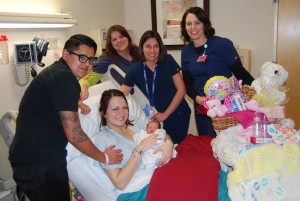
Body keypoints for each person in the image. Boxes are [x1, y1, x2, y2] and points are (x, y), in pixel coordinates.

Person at [8, 34, 123, 201]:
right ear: (65, 54)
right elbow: (75, 135)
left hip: (35, 158)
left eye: (91, 59)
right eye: (82, 57)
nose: (87, 64)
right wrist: (105, 157)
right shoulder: (64, 79)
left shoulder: (57, 73)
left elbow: (54, 101)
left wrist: (74, 103)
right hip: (39, 163)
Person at [180, 7, 254, 137]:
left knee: (228, 143)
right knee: (207, 144)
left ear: (204, 24)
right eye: (189, 23)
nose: (193, 27)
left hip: (227, 107)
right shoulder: (186, 52)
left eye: (197, 22)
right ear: (184, 27)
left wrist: (259, 91)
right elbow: (187, 83)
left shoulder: (221, 44)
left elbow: (241, 73)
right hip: (203, 108)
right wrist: (199, 99)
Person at [94, 89, 174, 200]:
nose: (121, 113)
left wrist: (169, 144)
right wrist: (140, 148)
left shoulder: (135, 122)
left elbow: (162, 134)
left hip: (162, 169)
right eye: (115, 109)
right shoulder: (104, 139)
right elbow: (119, 182)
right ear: (103, 113)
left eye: (124, 108)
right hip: (141, 186)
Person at [120, 30, 191, 144]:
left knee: (177, 149)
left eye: (156, 46)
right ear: (142, 48)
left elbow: (182, 90)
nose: (152, 51)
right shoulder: (135, 70)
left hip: (177, 113)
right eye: (148, 46)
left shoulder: (168, 61)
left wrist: (166, 114)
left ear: (160, 47)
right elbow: (121, 95)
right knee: (158, 151)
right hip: (154, 120)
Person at [79, 25, 141, 101]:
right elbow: (88, 79)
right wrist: (84, 87)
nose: (119, 40)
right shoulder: (107, 58)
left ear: (127, 37)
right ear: (110, 43)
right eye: (114, 39)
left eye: (121, 36)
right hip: (131, 100)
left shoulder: (139, 52)